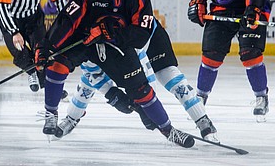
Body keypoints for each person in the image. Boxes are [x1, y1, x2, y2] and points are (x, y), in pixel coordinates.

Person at [35, 0, 195, 148]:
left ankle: (168, 130)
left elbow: (141, 35)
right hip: (85, 40)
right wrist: (46, 47)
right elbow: (68, 20)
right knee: (57, 64)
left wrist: (110, 34)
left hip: (116, 47)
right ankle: (51, 114)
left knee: (141, 90)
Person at [55, 18, 219, 142]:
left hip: (148, 37)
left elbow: (143, 71)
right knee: (87, 81)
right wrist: (112, 94)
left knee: (169, 74)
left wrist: (146, 108)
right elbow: (91, 73)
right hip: (113, 42)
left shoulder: (120, 33)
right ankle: (72, 117)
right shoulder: (83, 40)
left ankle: (203, 120)